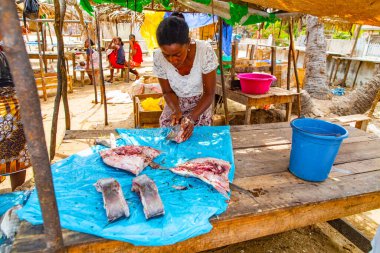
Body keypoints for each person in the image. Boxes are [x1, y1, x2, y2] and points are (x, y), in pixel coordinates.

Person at [153, 16, 218, 141]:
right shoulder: (157, 57)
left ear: (188, 43)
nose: (172, 60)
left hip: (201, 105)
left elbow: (209, 93)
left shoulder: (204, 51)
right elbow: (167, 92)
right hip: (174, 104)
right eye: (166, 55)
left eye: (177, 54)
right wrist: (176, 110)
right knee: (168, 138)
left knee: (199, 142)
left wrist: (192, 118)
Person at [0, 34, 31, 191]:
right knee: (17, 154)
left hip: (16, 104)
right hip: (15, 104)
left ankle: (17, 192)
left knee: (18, 154)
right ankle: (17, 192)